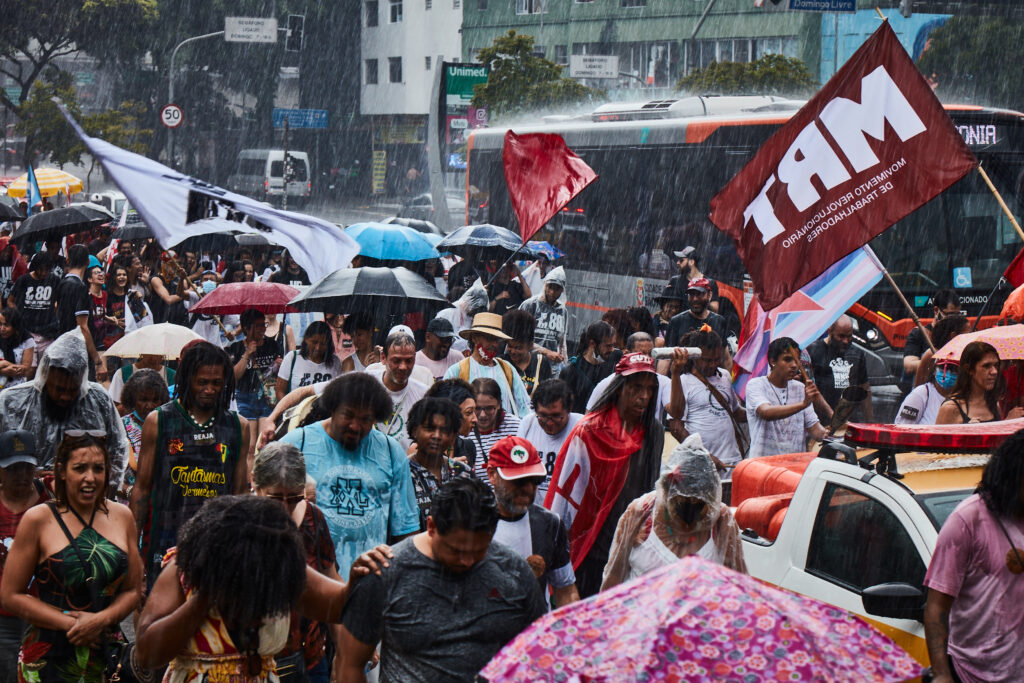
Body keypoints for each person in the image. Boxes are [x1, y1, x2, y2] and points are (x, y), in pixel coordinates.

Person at [135, 495, 392, 681]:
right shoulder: (186, 567)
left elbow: (335, 606)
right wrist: (204, 597)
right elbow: (147, 654)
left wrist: (357, 580)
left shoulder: (275, 561)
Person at [337, 477, 546, 683]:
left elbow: (538, 652)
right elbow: (350, 665)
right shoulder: (384, 573)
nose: (467, 561)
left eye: (479, 550)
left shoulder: (515, 572)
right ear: (431, 526)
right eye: (456, 550)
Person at [0, 433, 142, 683]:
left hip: (104, 651)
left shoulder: (122, 516)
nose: (90, 478)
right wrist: (70, 624)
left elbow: (132, 589)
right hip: (47, 653)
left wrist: (100, 620)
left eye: (99, 468)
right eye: (79, 468)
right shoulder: (39, 519)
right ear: (61, 472)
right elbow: (11, 595)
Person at [546, 352, 665, 598]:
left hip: (630, 544)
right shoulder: (588, 431)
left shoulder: (654, 432)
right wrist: (555, 545)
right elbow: (565, 495)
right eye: (636, 388)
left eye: (649, 389)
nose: (643, 396)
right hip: (591, 542)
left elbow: (652, 490)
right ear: (620, 388)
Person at [131, 341, 249, 589]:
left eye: (216, 383)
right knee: (157, 617)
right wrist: (132, 548)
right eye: (202, 382)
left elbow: (239, 494)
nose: (209, 389)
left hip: (216, 544)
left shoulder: (238, 426)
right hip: (164, 538)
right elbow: (141, 489)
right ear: (187, 380)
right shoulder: (159, 421)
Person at [279, 373, 420, 576]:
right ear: (333, 408)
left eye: (365, 419)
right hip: (308, 582)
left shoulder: (391, 451)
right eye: (348, 415)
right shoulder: (296, 444)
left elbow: (406, 529)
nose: (355, 426)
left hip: (369, 582)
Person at [923, 428, 1024, 683]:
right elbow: (936, 606)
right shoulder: (967, 521)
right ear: (1013, 477)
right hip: (971, 675)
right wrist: (942, 674)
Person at [252, 442, 346, 683]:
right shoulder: (239, 524)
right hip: (254, 661)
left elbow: (330, 581)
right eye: (275, 498)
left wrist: (344, 652)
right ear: (255, 484)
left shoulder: (313, 518)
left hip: (311, 658)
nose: (285, 507)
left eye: (293, 497)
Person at [601, 434, 747, 590]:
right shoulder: (640, 512)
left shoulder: (721, 520)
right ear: (665, 492)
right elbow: (613, 578)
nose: (690, 510)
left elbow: (738, 587)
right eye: (682, 502)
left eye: (699, 505)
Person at [0, 330, 130, 487]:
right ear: (44, 377)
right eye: (59, 389)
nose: (66, 397)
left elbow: (117, 450)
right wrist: (31, 475)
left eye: (73, 390)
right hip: (25, 495)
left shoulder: (99, 399)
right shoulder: (12, 401)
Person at [485, 436, 578, 608]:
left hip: (535, 631)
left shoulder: (550, 523)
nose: (527, 489)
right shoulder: (470, 524)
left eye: (535, 480)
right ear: (492, 475)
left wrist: (574, 629)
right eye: (518, 481)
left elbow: (565, 589)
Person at [0, 431, 49, 683]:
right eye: (13, 469)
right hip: (3, 619)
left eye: (26, 468)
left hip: (44, 615)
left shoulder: (50, 498)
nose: (21, 475)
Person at [674, 328, 746, 473]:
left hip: (733, 462)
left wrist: (758, 412)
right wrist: (704, 455)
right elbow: (677, 428)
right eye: (707, 360)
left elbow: (736, 412)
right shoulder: (683, 381)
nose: (713, 365)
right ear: (694, 357)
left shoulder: (725, 376)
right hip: (701, 465)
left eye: (716, 359)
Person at [745, 337, 827, 459]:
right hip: (762, 468)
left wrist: (832, 432)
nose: (794, 365)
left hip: (792, 469)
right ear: (772, 361)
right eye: (787, 360)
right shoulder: (756, 385)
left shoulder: (800, 388)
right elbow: (766, 412)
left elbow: (815, 429)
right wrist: (803, 404)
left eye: (796, 360)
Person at [443, 313, 531, 417]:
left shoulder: (507, 369)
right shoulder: (457, 371)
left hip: (505, 431)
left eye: (496, 340)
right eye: (489, 339)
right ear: (475, 338)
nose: (494, 344)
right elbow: (445, 408)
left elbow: (525, 406)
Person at [406, 397, 472, 530]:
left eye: (445, 430)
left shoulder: (463, 472)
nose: (437, 435)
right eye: (429, 428)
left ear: (453, 435)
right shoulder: (403, 474)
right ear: (414, 431)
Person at [587, 332, 680, 424]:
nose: (647, 358)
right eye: (642, 354)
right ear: (627, 354)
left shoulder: (663, 382)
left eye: (650, 354)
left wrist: (675, 373)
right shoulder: (608, 383)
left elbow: (676, 413)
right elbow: (588, 420)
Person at [516, 379, 582, 501]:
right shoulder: (528, 424)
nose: (549, 423)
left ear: (569, 410)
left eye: (556, 416)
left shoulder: (581, 428)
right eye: (543, 416)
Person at [228, 308, 283, 451]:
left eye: (263, 324)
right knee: (250, 446)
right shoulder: (236, 348)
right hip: (245, 398)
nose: (262, 329)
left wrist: (279, 365)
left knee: (264, 444)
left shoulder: (272, 345)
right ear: (246, 328)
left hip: (267, 399)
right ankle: (249, 474)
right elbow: (233, 376)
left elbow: (280, 374)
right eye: (258, 326)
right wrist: (246, 354)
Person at [364, 329, 429, 450]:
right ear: (383, 357)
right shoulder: (365, 384)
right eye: (396, 360)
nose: (403, 367)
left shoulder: (424, 395)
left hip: (405, 466)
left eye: (409, 361)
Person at [805, 315, 872, 425]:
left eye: (849, 336)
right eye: (841, 336)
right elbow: (810, 391)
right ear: (830, 331)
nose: (845, 341)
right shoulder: (813, 351)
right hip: (820, 422)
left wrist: (870, 424)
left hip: (849, 422)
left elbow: (865, 388)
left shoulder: (857, 354)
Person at [936, 342, 1024, 424]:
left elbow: (996, 440)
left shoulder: (994, 405)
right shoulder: (951, 408)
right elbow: (936, 440)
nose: (994, 371)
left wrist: (1007, 423)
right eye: (986, 366)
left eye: (996, 365)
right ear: (969, 369)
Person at [54, 245, 107, 381]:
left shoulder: (62, 283)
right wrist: (98, 361)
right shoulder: (80, 288)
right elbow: (83, 327)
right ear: (87, 262)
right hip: (79, 352)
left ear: (68, 260)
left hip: (63, 347)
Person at [117, 369, 168, 503]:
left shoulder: (170, 426)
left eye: (155, 400)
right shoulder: (120, 428)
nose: (150, 405)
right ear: (132, 400)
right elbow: (110, 475)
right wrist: (129, 491)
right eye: (143, 400)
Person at [559, 321, 621, 414]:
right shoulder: (571, 371)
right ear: (592, 343)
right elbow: (563, 406)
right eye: (608, 346)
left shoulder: (614, 363)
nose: (612, 350)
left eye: (613, 345)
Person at [904, 288, 962, 385]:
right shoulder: (919, 334)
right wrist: (937, 363)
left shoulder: (959, 334)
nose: (954, 319)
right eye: (950, 315)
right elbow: (909, 365)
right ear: (936, 311)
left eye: (957, 315)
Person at [469, 378, 521, 484]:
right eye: (477, 409)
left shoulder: (517, 428)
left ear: (499, 404)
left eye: (489, 408)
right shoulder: (463, 430)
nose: (483, 415)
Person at [10, 252, 59, 361]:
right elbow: (10, 301)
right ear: (35, 267)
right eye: (41, 269)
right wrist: (18, 317)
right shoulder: (24, 280)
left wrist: (54, 315)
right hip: (27, 331)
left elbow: (58, 301)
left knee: (46, 368)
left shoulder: (54, 280)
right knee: (30, 368)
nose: (43, 273)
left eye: (47, 270)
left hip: (47, 332)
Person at [276, 321, 343, 401]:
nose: (318, 348)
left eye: (323, 343)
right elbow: (280, 391)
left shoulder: (335, 362)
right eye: (314, 342)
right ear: (306, 339)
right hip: (297, 411)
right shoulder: (292, 358)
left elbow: (339, 392)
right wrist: (288, 411)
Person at [518, 266, 568, 371]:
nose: (552, 292)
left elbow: (562, 342)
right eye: (550, 287)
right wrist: (546, 352)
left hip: (551, 368)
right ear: (545, 284)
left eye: (557, 288)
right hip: (527, 364)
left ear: (562, 290)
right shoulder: (530, 305)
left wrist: (565, 366)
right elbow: (519, 338)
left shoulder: (562, 311)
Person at [423, 378, 479, 470]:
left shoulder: (468, 447)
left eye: (474, 412)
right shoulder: (421, 448)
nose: (475, 419)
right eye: (469, 412)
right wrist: (448, 467)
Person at [665, 277, 728, 347]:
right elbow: (667, 354)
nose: (695, 299)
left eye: (699, 294)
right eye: (691, 294)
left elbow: (725, 354)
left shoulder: (719, 321)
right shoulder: (676, 322)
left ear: (709, 295)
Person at [502, 309, 551, 396]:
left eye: (518, 348)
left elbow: (547, 395)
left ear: (530, 346)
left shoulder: (541, 363)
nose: (513, 351)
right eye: (510, 346)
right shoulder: (501, 363)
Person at [108, 353, 175, 407]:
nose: (154, 358)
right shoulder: (122, 374)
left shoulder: (172, 375)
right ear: (142, 353)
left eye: (158, 354)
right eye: (150, 353)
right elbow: (114, 408)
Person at [668, 246, 719, 312]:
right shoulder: (675, 281)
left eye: (681, 260)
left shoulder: (709, 283)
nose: (678, 263)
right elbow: (667, 304)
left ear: (692, 262)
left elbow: (715, 309)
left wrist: (703, 299)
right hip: (680, 321)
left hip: (700, 321)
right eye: (678, 260)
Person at [0, 307, 34, 389]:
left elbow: (26, 370)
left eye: (6, 325)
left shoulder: (26, 340)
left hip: (17, 387)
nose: (2, 329)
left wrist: (5, 365)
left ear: (15, 326)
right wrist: (4, 369)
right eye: (0, 324)